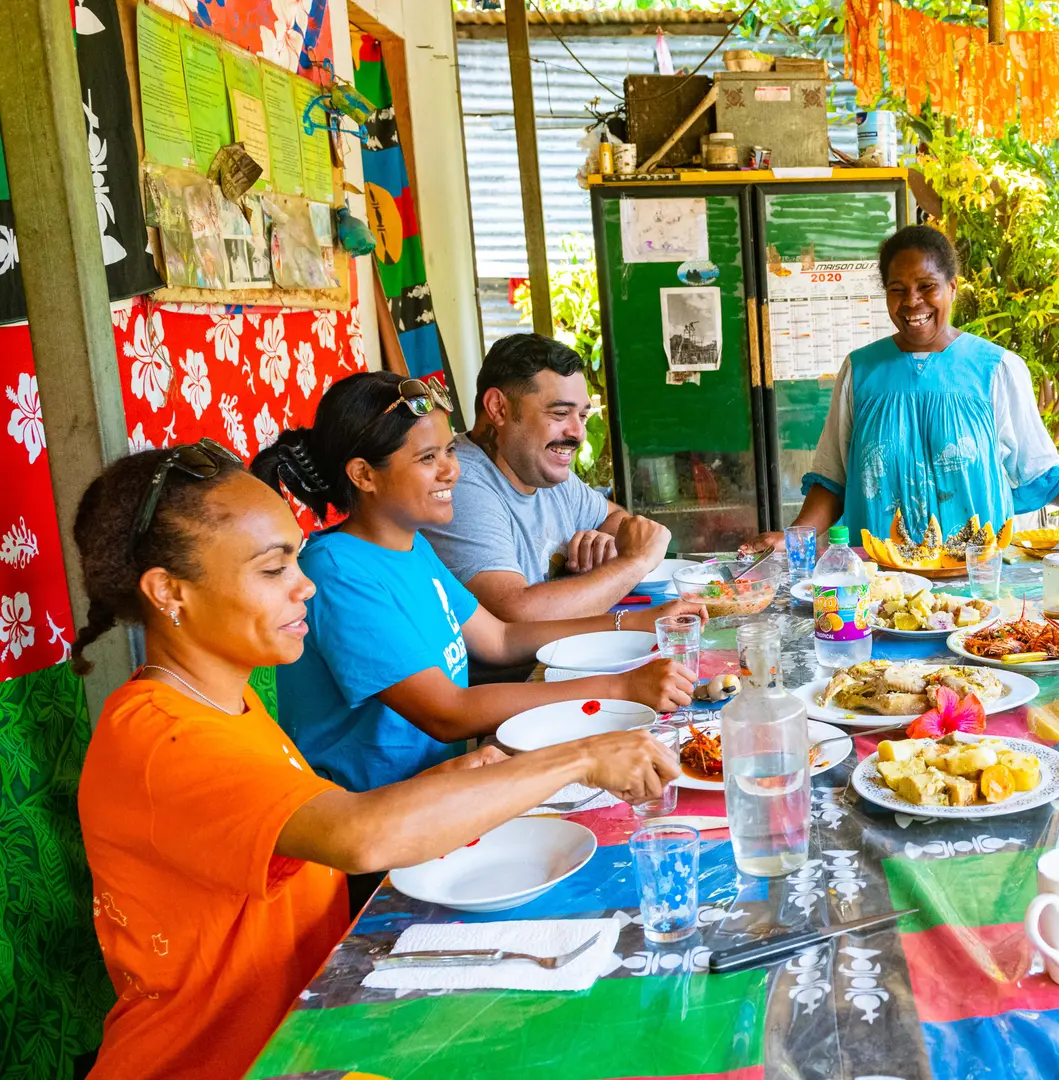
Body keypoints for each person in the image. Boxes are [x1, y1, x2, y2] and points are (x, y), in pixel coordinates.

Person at [69, 440, 681, 1080]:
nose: (306, 584)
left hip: (312, 1028)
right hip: (225, 1060)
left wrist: (442, 783)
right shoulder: (159, 736)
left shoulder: (227, 701)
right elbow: (359, 837)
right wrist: (579, 757)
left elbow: (323, 824)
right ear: (169, 592)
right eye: (273, 570)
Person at [251, 372, 695, 794]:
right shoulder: (339, 572)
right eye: (428, 458)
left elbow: (500, 638)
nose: (451, 471)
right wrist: (619, 688)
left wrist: (639, 621)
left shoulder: (412, 545)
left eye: (448, 451)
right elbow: (449, 712)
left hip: (452, 781)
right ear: (364, 474)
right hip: (382, 820)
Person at [745, 224, 1059, 551]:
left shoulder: (996, 370)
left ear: (952, 287)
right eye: (897, 289)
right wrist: (792, 538)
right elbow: (833, 477)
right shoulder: (861, 371)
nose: (911, 302)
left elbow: (1038, 469)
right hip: (880, 583)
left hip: (975, 585)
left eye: (927, 287)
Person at [420, 333, 694, 625]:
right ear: (498, 408)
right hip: (520, 671)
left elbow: (614, 516)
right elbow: (517, 615)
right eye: (561, 413)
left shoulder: (542, 470)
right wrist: (635, 562)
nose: (578, 433)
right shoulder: (458, 481)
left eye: (583, 416)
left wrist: (607, 543)